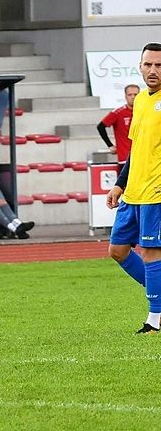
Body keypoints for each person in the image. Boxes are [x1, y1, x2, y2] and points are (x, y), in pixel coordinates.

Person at [107, 43, 161, 334]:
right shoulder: (140, 100)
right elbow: (136, 148)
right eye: (148, 64)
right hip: (133, 191)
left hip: (156, 192)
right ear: (140, 66)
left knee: (152, 253)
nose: (153, 70)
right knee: (117, 250)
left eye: (159, 65)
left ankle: (155, 319)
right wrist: (119, 183)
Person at [98, 84, 139, 163]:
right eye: (130, 94)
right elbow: (101, 127)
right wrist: (110, 145)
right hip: (125, 158)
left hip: (142, 157)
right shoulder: (118, 112)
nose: (133, 97)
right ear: (125, 96)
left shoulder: (144, 112)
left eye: (135, 94)